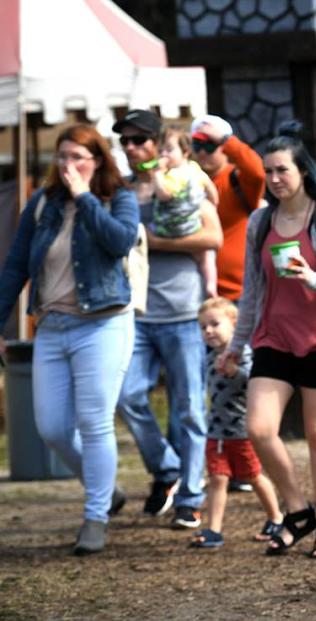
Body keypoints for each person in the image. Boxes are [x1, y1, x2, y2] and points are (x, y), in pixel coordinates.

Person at [217, 121, 316, 559]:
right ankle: (298, 510)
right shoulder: (261, 222)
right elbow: (251, 292)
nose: (275, 179)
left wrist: (312, 278)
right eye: (269, 172)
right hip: (273, 338)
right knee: (258, 428)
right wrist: (235, 345)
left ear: (302, 171)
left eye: (282, 170)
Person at [0, 124, 138, 554]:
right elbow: (15, 265)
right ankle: (105, 488)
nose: (67, 166)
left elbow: (120, 243)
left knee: (94, 422)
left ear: (98, 161)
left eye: (78, 157)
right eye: (62, 157)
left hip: (103, 324)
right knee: (53, 427)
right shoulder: (42, 204)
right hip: (53, 327)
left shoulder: (121, 199)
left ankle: (95, 517)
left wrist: (85, 198)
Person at [113, 109, 223, 529]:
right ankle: (168, 466)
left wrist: (148, 240)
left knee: (191, 408)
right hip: (135, 313)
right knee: (126, 395)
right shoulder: (121, 191)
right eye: (125, 141)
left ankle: (190, 497)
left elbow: (212, 235)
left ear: (158, 144)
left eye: (139, 140)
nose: (132, 148)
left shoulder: (186, 180)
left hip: (182, 312)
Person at [188, 297, 283, 549]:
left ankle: (276, 517)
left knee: (253, 476)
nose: (208, 331)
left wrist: (235, 372)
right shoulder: (210, 358)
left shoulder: (244, 355)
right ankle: (214, 530)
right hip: (216, 432)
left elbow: (255, 382)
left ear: (234, 324)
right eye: (203, 327)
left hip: (241, 432)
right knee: (217, 479)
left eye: (214, 324)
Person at [190, 114, 267, 302]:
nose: (202, 152)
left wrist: (226, 140)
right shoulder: (185, 181)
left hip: (239, 293)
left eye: (210, 145)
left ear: (225, 149)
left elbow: (257, 173)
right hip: (195, 293)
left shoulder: (237, 180)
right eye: (197, 145)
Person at [151, 125, 219, 299]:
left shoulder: (173, 175)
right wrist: (212, 204)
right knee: (206, 256)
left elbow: (164, 195)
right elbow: (211, 190)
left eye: (169, 149)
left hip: (169, 228)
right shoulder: (195, 169)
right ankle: (211, 284)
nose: (164, 155)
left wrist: (157, 175)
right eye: (161, 151)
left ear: (185, 151)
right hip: (193, 225)